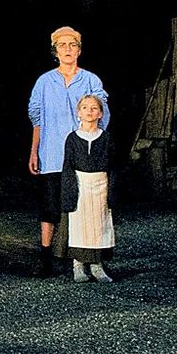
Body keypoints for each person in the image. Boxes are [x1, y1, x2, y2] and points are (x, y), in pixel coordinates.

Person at [27, 28, 110, 277]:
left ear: (79, 49)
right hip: (52, 152)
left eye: (72, 45)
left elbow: (102, 115)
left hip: (82, 158)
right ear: (55, 51)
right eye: (62, 45)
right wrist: (34, 151)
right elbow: (37, 118)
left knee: (83, 207)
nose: (67, 49)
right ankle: (46, 260)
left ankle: (83, 258)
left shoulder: (91, 80)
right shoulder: (44, 81)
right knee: (49, 207)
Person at [59, 92, 115, 284]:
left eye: (94, 108)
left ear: (100, 113)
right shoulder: (73, 139)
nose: (89, 112)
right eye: (85, 108)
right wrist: (68, 192)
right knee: (79, 226)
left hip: (101, 185)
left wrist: (112, 193)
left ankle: (97, 265)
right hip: (80, 185)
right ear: (78, 113)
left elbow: (114, 166)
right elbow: (67, 166)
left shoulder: (106, 138)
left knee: (99, 224)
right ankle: (78, 265)